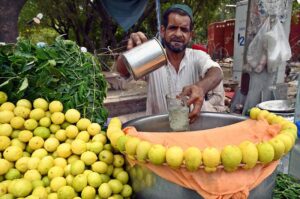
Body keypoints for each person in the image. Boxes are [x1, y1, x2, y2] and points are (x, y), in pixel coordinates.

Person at [116, 4, 225, 123]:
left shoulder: (197, 57)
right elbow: (122, 71)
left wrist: (200, 87)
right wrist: (127, 55)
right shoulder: (152, 58)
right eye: (173, 28)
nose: (178, 34)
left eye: (184, 30)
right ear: (163, 31)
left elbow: (216, 72)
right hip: (158, 132)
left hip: (193, 130)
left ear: (190, 35)